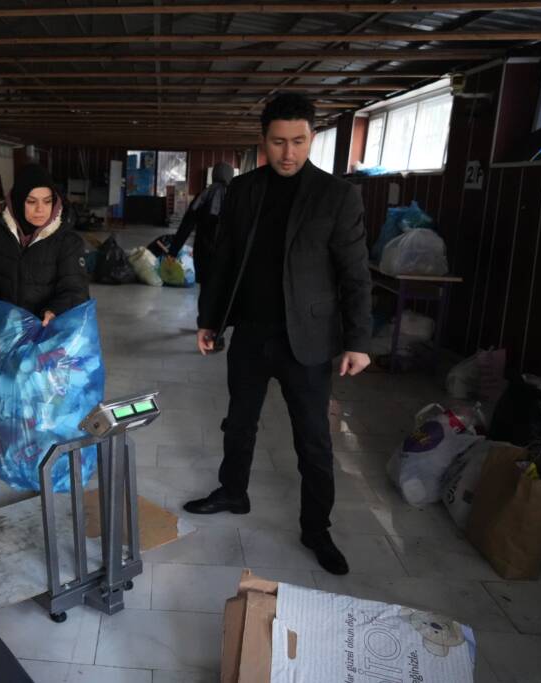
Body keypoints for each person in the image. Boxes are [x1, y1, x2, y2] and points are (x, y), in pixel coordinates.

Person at [184, 93, 372, 575]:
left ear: (312, 137)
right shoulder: (244, 191)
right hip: (250, 332)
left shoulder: (337, 196)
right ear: (263, 141)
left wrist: (358, 341)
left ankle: (316, 528)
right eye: (278, 142)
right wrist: (210, 319)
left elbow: (354, 273)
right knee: (238, 421)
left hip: (306, 340)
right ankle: (233, 492)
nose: (289, 153)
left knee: (313, 439)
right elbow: (223, 260)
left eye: (299, 141)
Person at [0, 163, 88, 341]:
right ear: (18, 200)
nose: (40, 209)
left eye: (47, 201)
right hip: (7, 329)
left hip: (47, 330)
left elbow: (75, 289)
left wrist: (55, 311)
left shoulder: (67, 240)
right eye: (31, 202)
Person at [165, 161, 235, 286]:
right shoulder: (236, 198)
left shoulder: (202, 196)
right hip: (228, 255)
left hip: (203, 253)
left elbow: (186, 226)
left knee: (206, 291)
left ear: (214, 175)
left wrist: (173, 251)